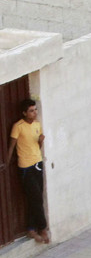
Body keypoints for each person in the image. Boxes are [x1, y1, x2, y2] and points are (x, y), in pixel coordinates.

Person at [5, 99, 49, 244]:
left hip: (37, 163)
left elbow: (37, 146)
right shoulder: (18, 126)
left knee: (35, 197)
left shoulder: (37, 125)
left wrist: (41, 141)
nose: (34, 113)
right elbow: (12, 146)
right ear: (24, 113)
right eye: (31, 111)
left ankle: (31, 228)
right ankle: (42, 227)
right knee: (35, 197)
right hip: (25, 167)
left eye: (35, 110)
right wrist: (6, 162)